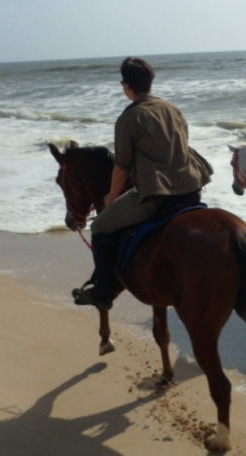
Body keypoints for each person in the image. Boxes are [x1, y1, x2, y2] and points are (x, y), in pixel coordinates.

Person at [75, 57, 213, 310]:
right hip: (192, 191)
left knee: (101, 227)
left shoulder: (128, 118)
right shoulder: (173, 108)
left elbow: (121, 168)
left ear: (127, 86)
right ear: (149, 83)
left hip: (157, 197)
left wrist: (110, 199)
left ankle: (104, 292)